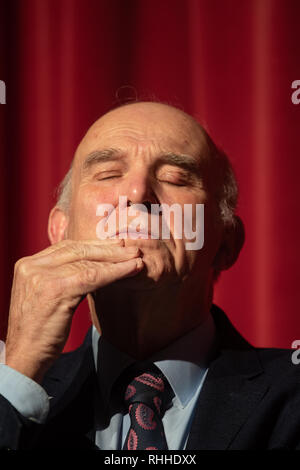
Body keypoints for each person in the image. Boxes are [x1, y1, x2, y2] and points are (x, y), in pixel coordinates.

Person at [0, 101, 299, 450]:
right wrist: (18, 379)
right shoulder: (13, 390)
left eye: (176, 177)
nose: (137, 194)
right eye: (109, 174)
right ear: (60, 232)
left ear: (226, 242)